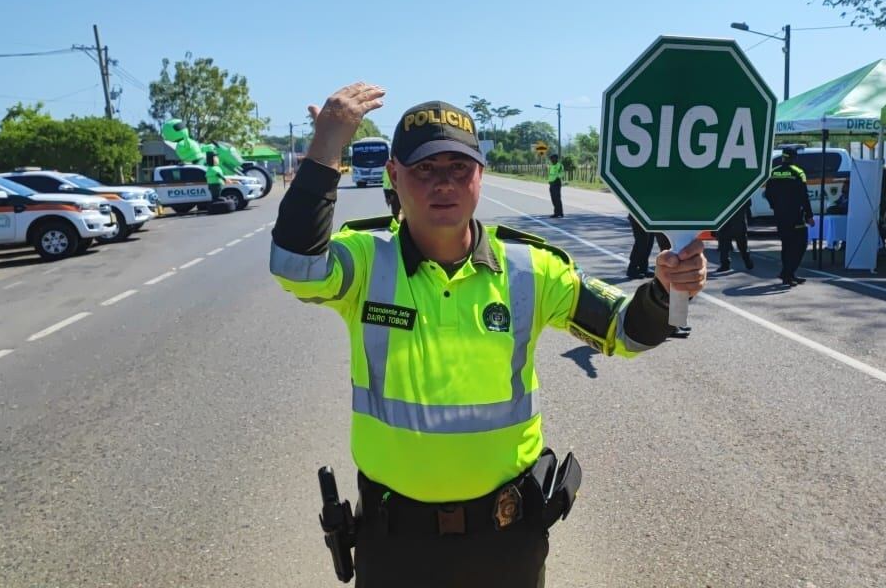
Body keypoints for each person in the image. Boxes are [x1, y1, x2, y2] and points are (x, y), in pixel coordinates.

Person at [269, 85, 707, 587]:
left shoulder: (530, 268)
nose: (443, 184)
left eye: (459, 167)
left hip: (505, 540)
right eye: (424, 169)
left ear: (480, 174)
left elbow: (625, 331)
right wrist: (326, 145)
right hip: (394, 543)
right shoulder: (365, 260)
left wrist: (665, 291)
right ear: (394, 175)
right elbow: (296, 266)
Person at [763, 147, 814, 286]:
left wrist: (775, 206)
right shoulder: (798, 172)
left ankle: (788, 273)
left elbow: (767, 194)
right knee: (800, 245)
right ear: (794, 158)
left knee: (786, 245)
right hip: (795, 216)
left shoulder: (774, 172)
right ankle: (787, 273)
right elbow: (804, 196)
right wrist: (809, 215)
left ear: (783, 157)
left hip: (780, 216)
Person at [626, 213, 671, 279]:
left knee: (649, 243)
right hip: (639, 218)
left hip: (650, 219)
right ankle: (632, 269)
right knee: (641, 244)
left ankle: (643, 268)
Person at [715, 201, 754, 272]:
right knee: (740, 243)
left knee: (725, 242)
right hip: (737, 218)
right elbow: (748, 203)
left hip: (726, 217)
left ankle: (725, 264)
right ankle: (747, 261)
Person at [547, 153, 564, 218]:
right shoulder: (551, 166)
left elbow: (562, 174)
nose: (551, 160)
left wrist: (556, 178)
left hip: (556, 183)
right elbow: (551, 174)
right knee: (553, 199)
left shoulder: (559, 165)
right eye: (551, 159)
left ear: (556, 159)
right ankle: (557, 212)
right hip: (551, 184)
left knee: (557, 198)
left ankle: (559, 213)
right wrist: (549, 181)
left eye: (552, 158)